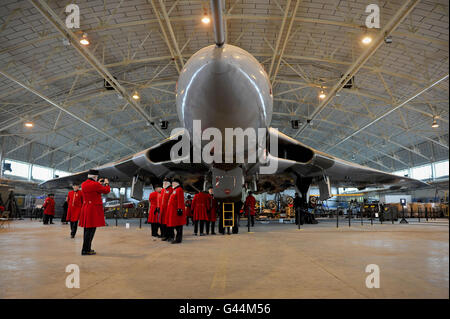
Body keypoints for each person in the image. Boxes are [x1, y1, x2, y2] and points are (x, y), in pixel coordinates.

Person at [79, 170, 110, 256]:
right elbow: (106, 191)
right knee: (91, 230)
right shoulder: (95, 184)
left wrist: (98, 183)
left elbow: (93, 190)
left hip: (86, 208)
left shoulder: (84, 184)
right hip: (93, 209)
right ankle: (86, 250)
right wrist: (107, 183)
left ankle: (86, 248)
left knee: (87, 230)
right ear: (95, 177)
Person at [167, 179, 186, 244]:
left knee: (178, 225)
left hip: (176, 210)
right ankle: (175, 237)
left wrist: (180, 209)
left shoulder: (179, 189)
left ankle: (178, 239)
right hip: (173, 210)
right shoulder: (175, 190)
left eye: (173, 183)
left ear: (177, 183)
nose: (172, 184)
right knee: (176, 224)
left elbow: (180, 200)